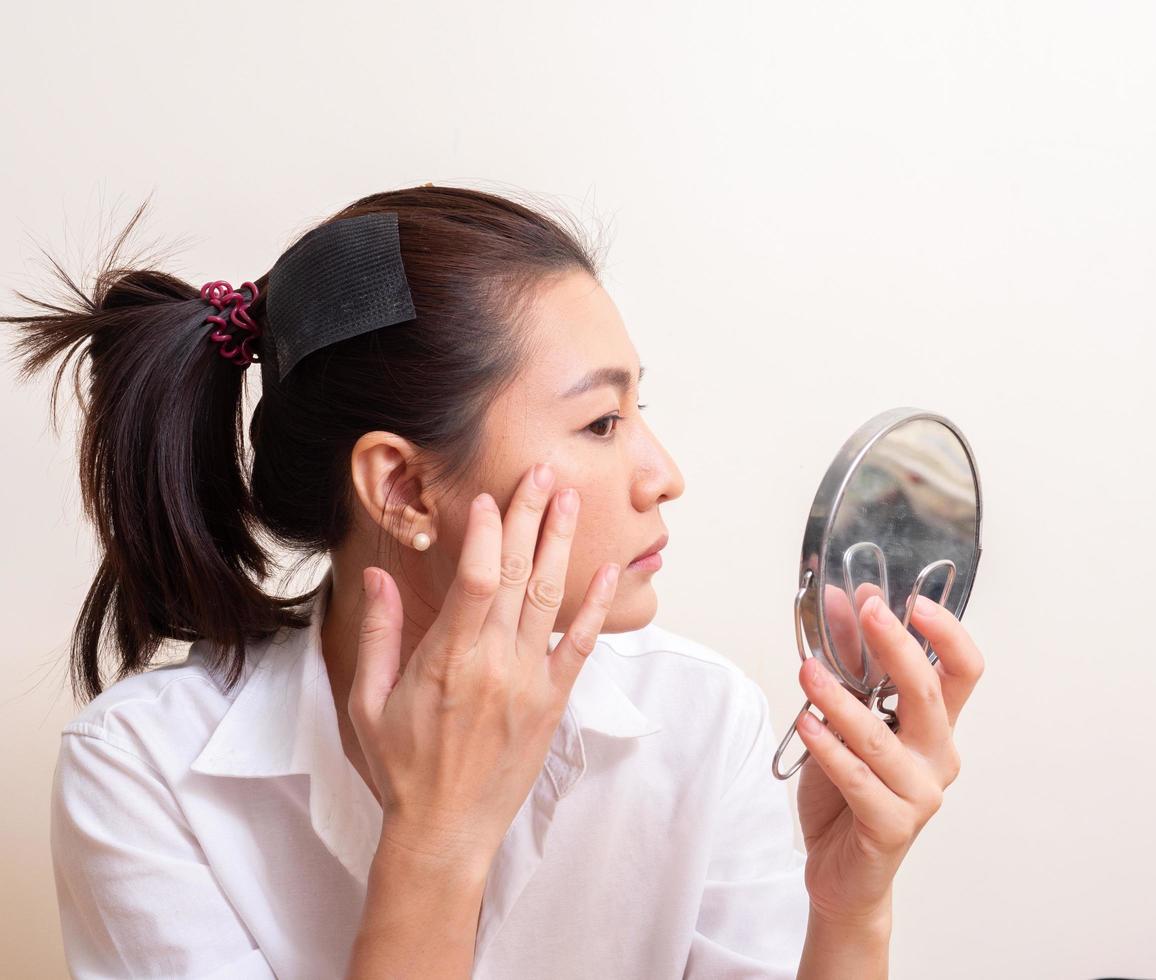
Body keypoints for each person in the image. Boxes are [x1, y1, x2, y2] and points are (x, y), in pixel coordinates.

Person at [5, 185, 985, 978]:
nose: (663, 473)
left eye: (641, 407)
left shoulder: (701, 721)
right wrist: (434, 839)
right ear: (401, 486)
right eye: (601, 423)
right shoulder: (141, 772)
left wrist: (848, 907)